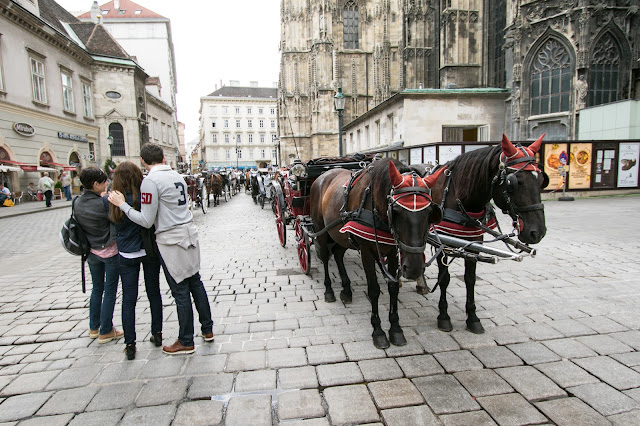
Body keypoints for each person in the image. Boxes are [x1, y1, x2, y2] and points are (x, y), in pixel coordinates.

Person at [108, 143, 213, 355]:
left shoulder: (151, 181)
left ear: (144, 161)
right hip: (189, 232)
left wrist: (122, 205)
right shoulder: (177, 176)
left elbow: (146, 220)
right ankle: (207, 328)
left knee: (180, 289)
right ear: (164, 158)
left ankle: (186, 340)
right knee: (195, 281)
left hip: (171, 239)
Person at [109, 161, 163, 360]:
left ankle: (130, 344)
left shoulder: (115, 199)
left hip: (127, 253)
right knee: (154, 292)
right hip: (148, 250)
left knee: (129, 299)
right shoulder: (144, 197)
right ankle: (157, 333)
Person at [75, 167, 123, 344]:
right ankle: (106, 330)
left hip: (91, 252)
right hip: (109, 251)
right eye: (104, 182)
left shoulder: (77, 202)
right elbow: (115, 220)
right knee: (110, 290)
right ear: (95, 184)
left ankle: (94, 327)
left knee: (97, 288)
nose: (106, 184)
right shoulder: (102, 202)